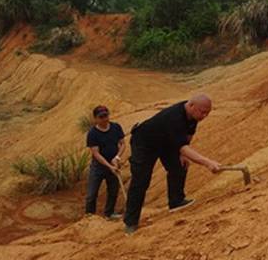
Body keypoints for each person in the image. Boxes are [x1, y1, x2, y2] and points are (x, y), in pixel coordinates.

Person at [124, 93, 221, 234]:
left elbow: (188, 134)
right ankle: (130, 223)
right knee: (141, 180)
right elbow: (181, 146)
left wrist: (182, 154)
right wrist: (207, 162)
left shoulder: (193, 114)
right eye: (203, 112)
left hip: (166, 142)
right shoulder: (174, 118)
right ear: (192, 105)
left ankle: (176, 201)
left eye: (207, 113)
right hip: (145, 143)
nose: (204, 116)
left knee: (179, 166)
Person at [85, 105, 126, 219]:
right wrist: (109, 166)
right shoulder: (92, 133)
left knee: (113, 191)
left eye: (106, 115)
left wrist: (117, 158)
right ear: (96, 118)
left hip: (114, 164)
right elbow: (96, 153)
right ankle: (90, 217)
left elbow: (123, 143)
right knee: (91, 194)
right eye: (101, 116)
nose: (104, 119)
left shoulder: (116, 127)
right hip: (98, 167)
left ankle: (109, 213)